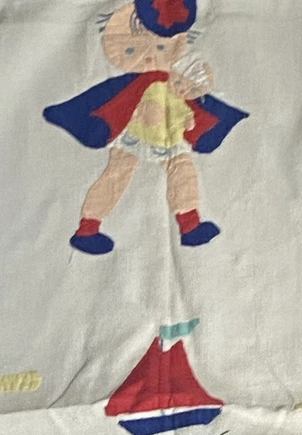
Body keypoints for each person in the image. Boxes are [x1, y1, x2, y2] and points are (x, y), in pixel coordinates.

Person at [43, 0, 248, 255]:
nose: (150, 56)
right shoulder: (133, 83)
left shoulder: (177, 78)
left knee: (183, 172)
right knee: (117, 173)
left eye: (161, 46)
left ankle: (190, 225)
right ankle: (88, 228)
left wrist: (193, 120)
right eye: (131, 50)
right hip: (133, 136)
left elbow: (196, 99)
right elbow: (104, 100)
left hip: (169, 140)